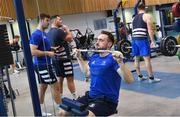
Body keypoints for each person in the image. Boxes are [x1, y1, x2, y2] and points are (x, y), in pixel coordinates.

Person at [59, 30, 134, 116]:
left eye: (101, 40)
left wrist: (120, 62)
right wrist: (79, 58)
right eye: (97, 40)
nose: (97, 42)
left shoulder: (113, 59)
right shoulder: (94, 57)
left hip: (106, 101)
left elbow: (130, 80)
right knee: (62, 113)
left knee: (86, 116)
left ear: (109, 44)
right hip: (90, 96)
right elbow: (87, 72)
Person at [29, 13, 60, 116]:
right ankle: (62, 109)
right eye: (47, 20)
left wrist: (52, 49)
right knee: (56, 86)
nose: (48, 23)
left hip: (45, 63)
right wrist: (48, 53)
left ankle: (39, 110)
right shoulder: (36, 34)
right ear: (41, 20)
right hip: (41, 65)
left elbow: (43, 48)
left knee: (43, 86)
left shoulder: (44, 33)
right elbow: (33, 52)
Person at [47, 15, 77, 99]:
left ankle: (60, 98)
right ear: (54, 21)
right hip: (64, 59)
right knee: (70, 79)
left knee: (60, 78)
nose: (61, 21)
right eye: (59, 19)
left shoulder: (49, 33)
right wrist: (67, 30)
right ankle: (75, 98)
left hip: (55, 60)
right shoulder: (59, 31)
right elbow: (70, 38)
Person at [132, 3, 161, 83]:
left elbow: (132, 30)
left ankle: (140, 76)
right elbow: (150, 29)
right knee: (147, 59)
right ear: (145, 8)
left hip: (134, 39)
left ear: (138, 9)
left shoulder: (133, 18)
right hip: (142, 39)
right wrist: (153, 41)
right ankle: (151, 78)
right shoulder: (147, 16)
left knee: (136, 58)